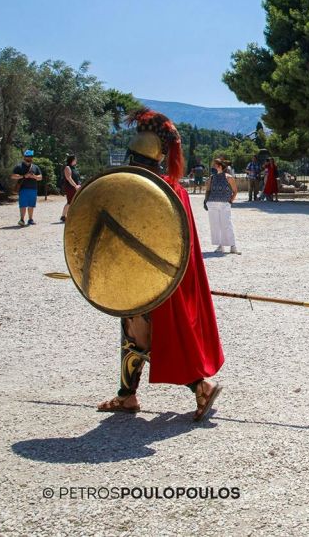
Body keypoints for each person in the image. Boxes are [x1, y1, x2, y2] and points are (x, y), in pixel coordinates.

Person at [96, 108, 224, 421]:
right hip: (166, 282)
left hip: (145, 282)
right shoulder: (173, 189)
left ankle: (200, 385)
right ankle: (127, 396)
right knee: (133, 336)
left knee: (143, 338)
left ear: (132, 154)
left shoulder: (134, 189)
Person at [204, 157, 240, 254]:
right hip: (212, 204)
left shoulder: (229, 177)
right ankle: (220, 246)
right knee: (215, 225)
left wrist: (230, 201)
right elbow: (208, 190)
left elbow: (235, 191)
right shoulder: (211, 178)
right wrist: (205, 201)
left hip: (224, 204)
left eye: (214, 165)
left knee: (227, 224)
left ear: (219, 166)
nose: (212, 167)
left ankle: (233, 246)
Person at [11, 149, 42, 226]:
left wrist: (34, 176)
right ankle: (22, 219)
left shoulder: (35, 167)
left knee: (31, 205)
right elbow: (13, 176)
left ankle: (30, 219)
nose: (29, 158)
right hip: (23, 189)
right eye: (28, 156)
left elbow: (40, 177)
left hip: (33, 189)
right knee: (23, 205)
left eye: (31, 156)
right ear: (24, 157)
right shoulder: (19, 166)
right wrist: (24, 176)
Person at [60, 154, 82, 223]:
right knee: (70, 202)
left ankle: (74, 215)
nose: (76, 160)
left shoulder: (74, 168)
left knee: (76, 201)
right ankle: (63, 216)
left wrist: (79, 185)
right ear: (72, 160)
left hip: (77, 187)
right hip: (70, 187)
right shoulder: (67, 167)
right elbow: (68, 178)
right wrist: (75, 186)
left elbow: (77, 178)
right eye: (75, 159)